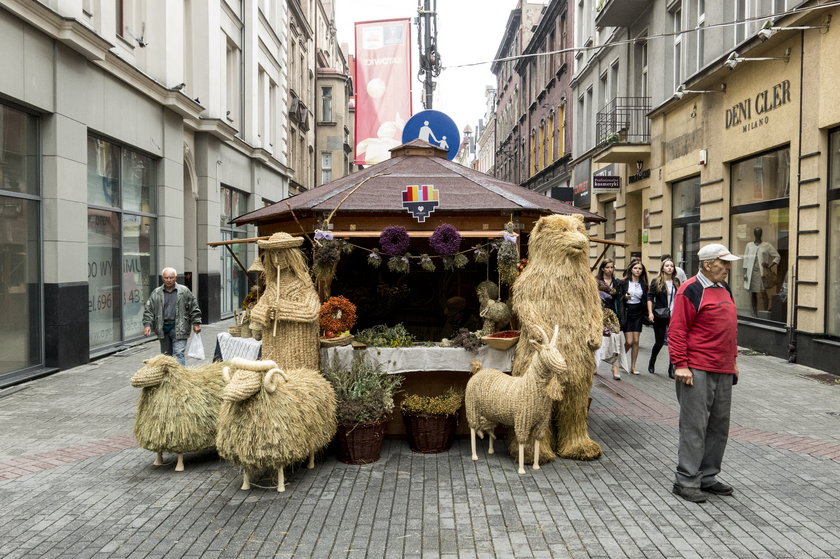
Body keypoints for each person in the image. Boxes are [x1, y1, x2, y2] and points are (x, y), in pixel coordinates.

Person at [669, 243, 740, 503]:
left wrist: (734, 360)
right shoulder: (691, 289)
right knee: (694, 427)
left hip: (722, 368)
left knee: (719, 427)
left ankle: (708, 477)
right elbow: (677, 331)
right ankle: (686, 480)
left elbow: (731, 328)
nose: (729, 268)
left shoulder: (724, 288)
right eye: (724, 263)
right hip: (696, 369)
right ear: (708, 264)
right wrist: (681, 364)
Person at [143, 267, 202, 366]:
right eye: (166, 278)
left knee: (179, 354)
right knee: (166, 356)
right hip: (163, 328)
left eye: (171, 277)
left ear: (176, 278)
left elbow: (194, 307)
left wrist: (196, 323)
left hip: (180, 327)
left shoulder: (184, 291)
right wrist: (147, 325)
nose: (169, 280)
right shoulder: (156, 293)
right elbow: (149, 310)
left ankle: (180, 379)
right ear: (162, 278)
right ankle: (169, 379)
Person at [647, 258, 680, 377]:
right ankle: (652, 360)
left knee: (673, 342)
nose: (670, 268)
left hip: (674, 316)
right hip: (660, 315)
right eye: (667, 266)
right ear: (662, 268)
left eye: (672, 266)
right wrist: (650, 313)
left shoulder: (676, 281)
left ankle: (671, 368)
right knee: (659, 342)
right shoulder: (656, 281)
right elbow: (650, 298)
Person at [616, 260, 649, 375]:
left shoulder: (644, 285)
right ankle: (620, 359)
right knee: (629, 341)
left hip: (638, 312)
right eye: (635, 268)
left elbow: (646, 299)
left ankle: (633, 367)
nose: (638, 270)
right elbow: (618, 296)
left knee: (636, 341)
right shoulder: (624, 283)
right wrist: (625, 298)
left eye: (640, 269)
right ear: (631, 269)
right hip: (627, 312)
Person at [742, 227, 781, 315]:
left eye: (759, 233)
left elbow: (777, 256)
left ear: (761, 234)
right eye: (756, 233)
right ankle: (754, 312)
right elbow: (746, 259)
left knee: (763, 292)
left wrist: (770, 266)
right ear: (754, 234)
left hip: (762, 272)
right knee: (753, 293)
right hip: (751, 272)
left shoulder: (767, 245)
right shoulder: (749, 245)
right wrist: (745, 273)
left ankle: (765, 311)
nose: (757, 234)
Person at [595, 258, 623, 380]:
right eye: (607, 267)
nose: (610, 270)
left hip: (613, 314)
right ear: (602, 268)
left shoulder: (617, 282)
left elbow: (620, 298)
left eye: (612, 267)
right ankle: (595, 364)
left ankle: (615, 366)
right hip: (599, 314)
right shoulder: (596, 281)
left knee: (615, 339)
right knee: (598, 339)